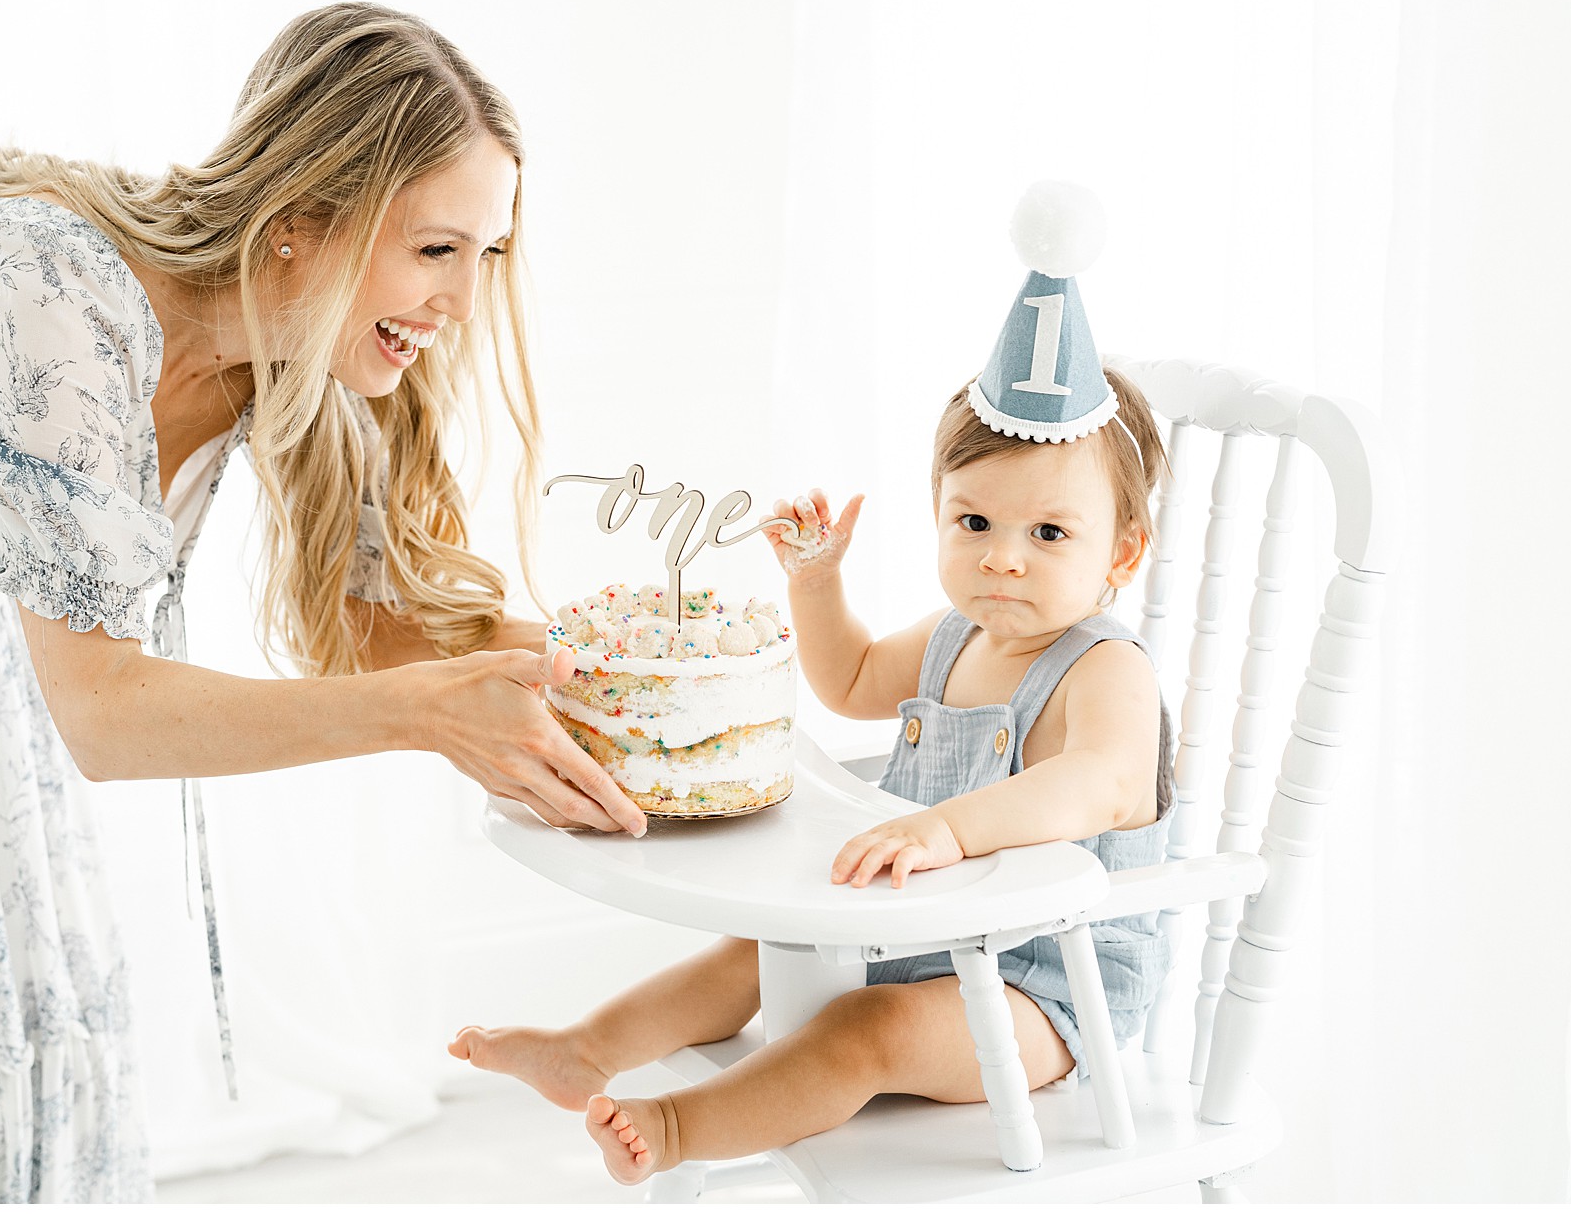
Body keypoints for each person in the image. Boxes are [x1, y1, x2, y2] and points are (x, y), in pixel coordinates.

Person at [0, 1, 646, 1203]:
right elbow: (106, 718)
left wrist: (633, 675)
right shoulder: (46, 297)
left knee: (19, 1019)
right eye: (434, 249)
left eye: (486, 254)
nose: (462, 300)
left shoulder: (303, 348)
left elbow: (384, 632)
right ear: (300, 222)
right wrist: (421, 715)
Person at [449, 186, 1175, 1184]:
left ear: (1120, 552)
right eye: (972, 522)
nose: (1001, 558)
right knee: (755, 948)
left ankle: (677, 1128)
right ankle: (586, 1045)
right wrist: (815, 583)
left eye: (1047, 533)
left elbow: (1097, 783)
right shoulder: (955, 633)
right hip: (917, 924)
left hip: (1041, 984)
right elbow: (846, 678)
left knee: (862, 1028)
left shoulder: (1104, 667)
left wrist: (943, 830)